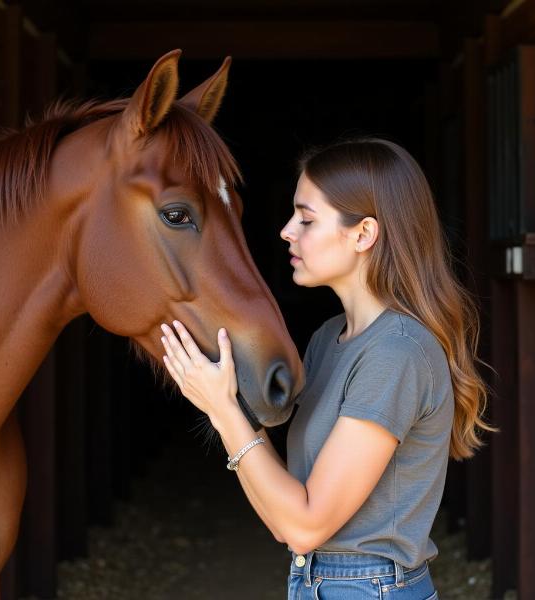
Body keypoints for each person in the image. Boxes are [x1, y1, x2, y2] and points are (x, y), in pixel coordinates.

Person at [160, 137, 495, 599]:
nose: (286, 231)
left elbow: (305, 525)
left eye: (306, 219)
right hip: (320, 582)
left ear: (363, 234)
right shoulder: (328, 340)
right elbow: (286, 518)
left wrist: (223, 411)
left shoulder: (395, 354)